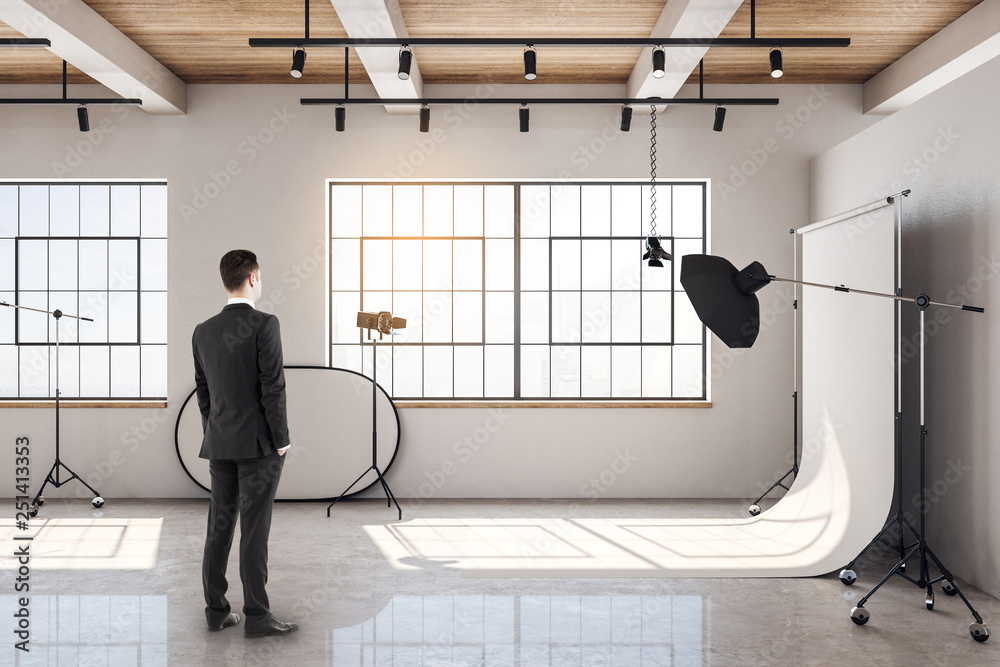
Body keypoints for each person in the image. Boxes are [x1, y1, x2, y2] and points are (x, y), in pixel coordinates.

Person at [192, 249, 298, 638]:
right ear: (253, 278)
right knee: (254, 529)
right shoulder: (264, 324)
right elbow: (273, 387)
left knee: (219, 527)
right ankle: (256, 616)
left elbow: (203, 394)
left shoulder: (202, 330)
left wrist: (215, 431)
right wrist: (281, 439)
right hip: (259, 447)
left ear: (226, 280)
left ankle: (216, 611)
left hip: (219, 443)